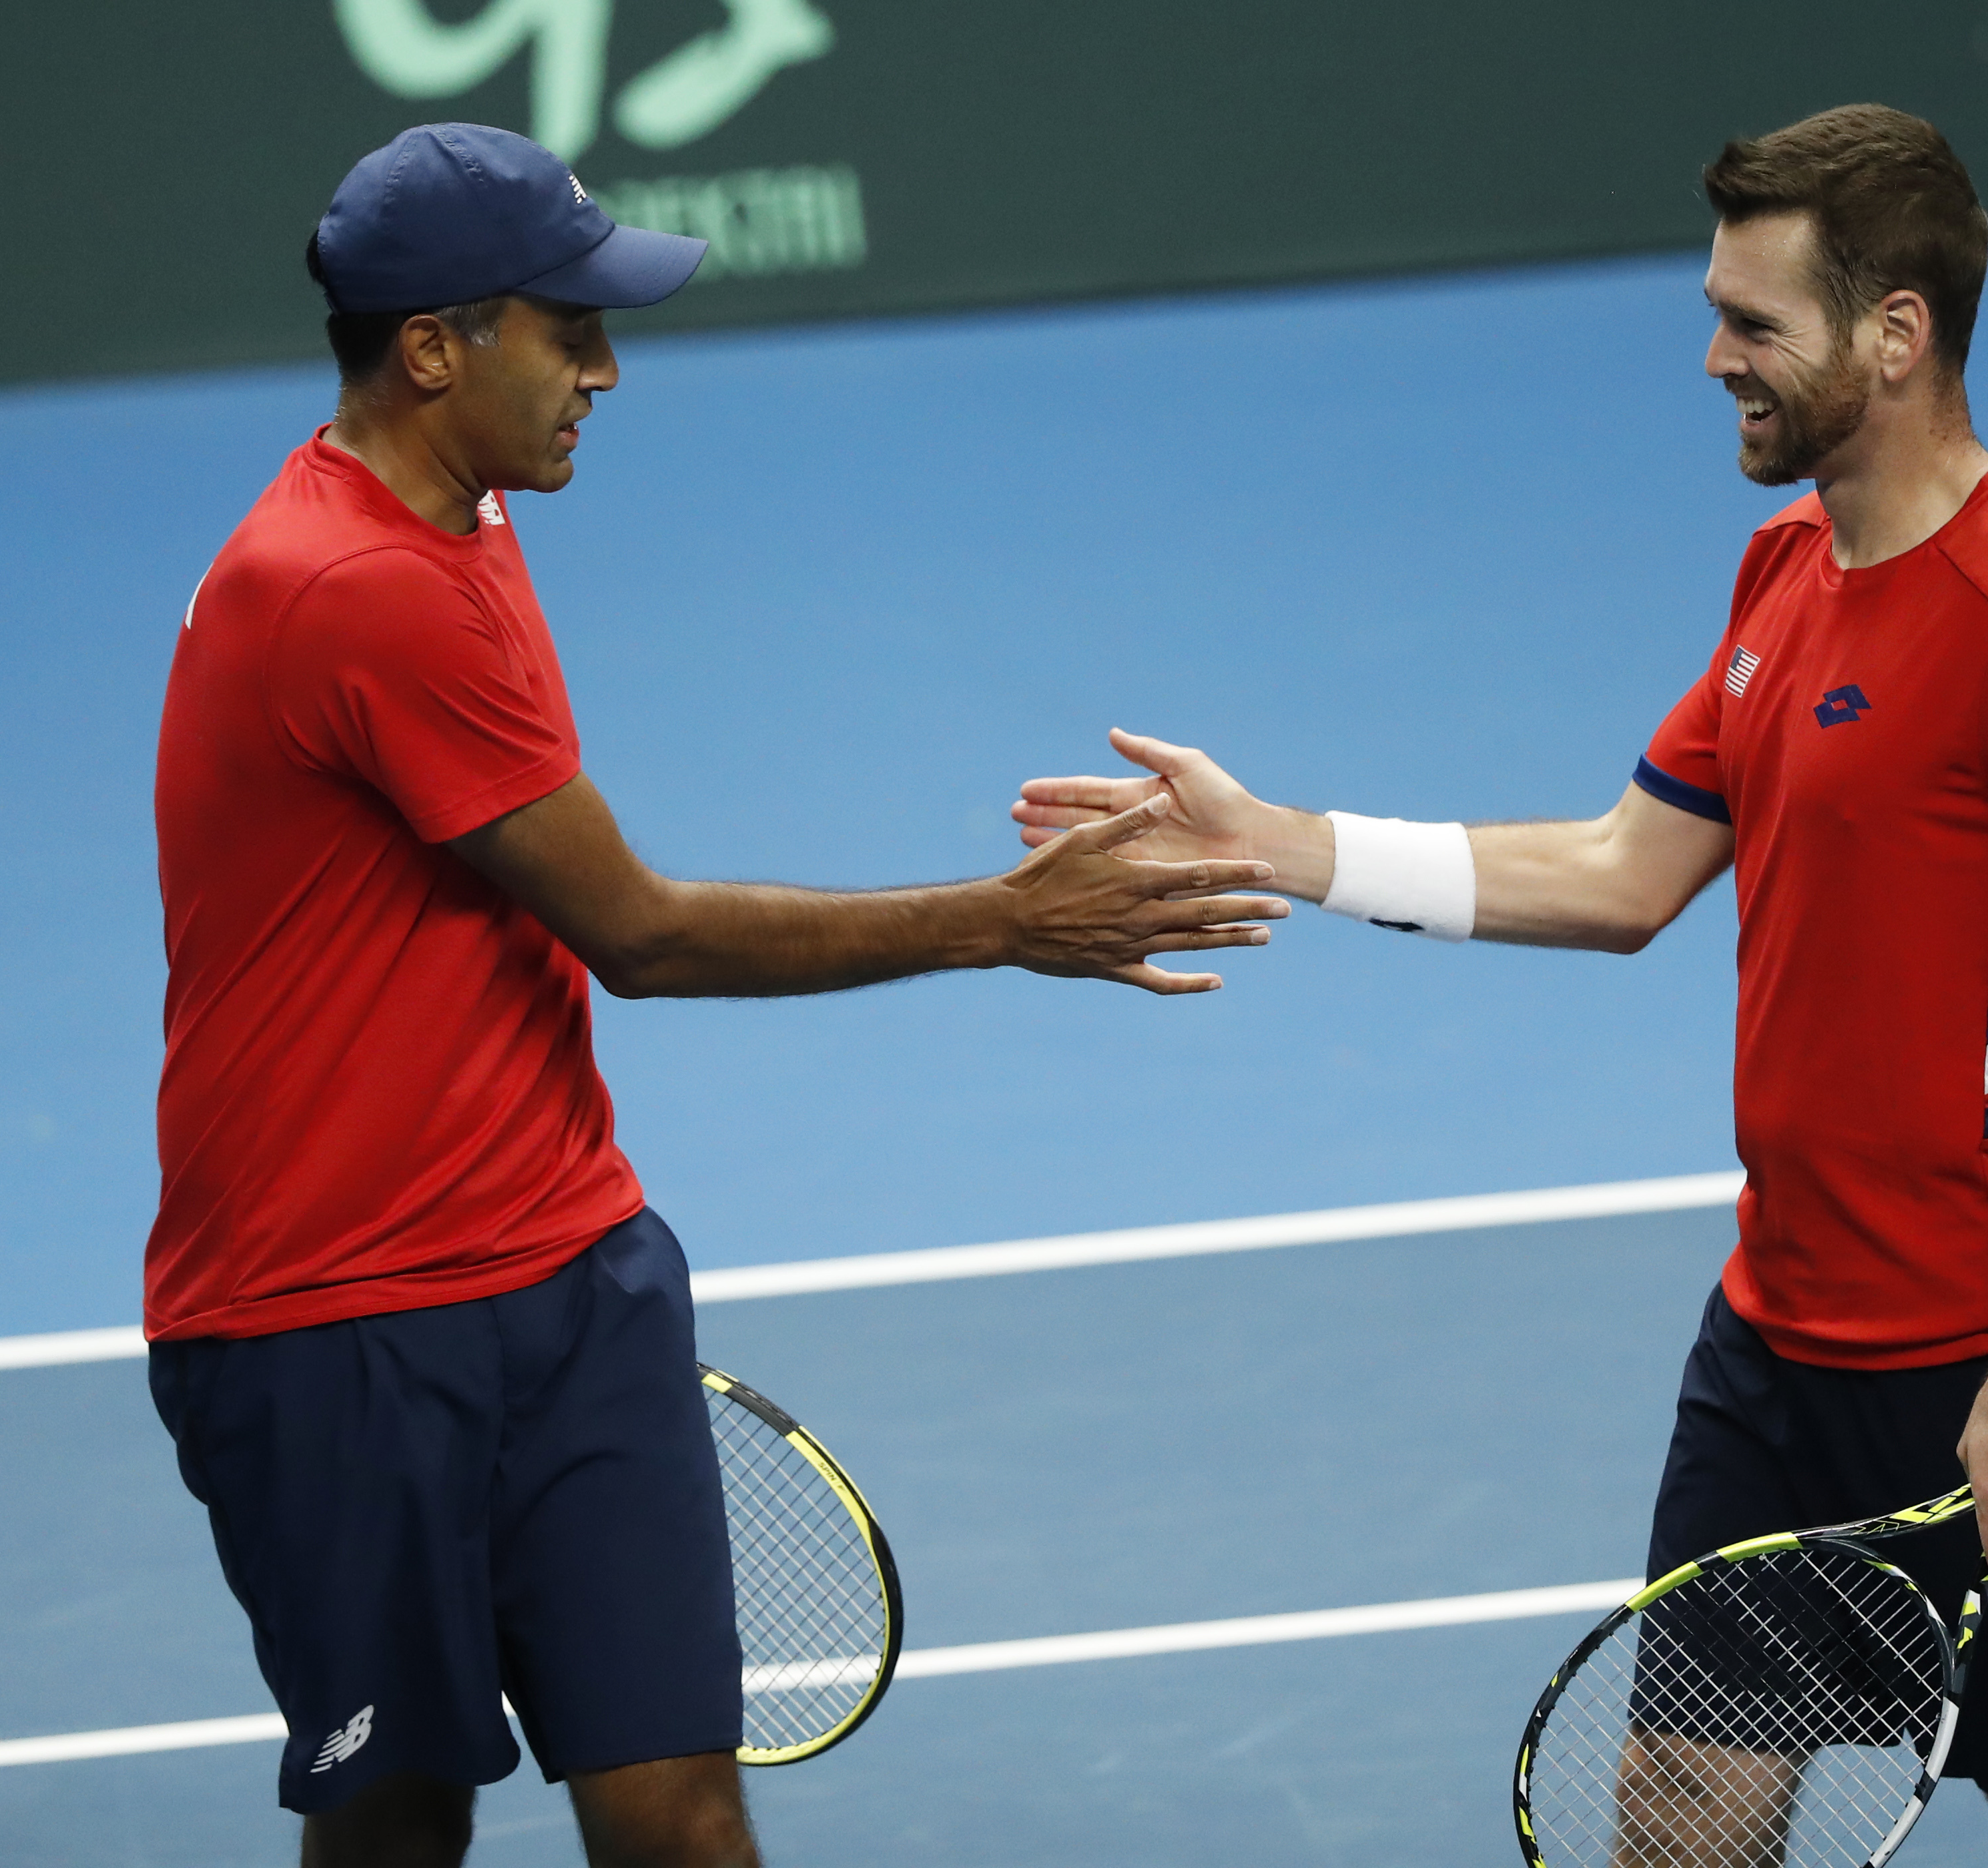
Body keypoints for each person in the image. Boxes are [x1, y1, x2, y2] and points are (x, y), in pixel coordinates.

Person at [1015, 105, 1988, 1867]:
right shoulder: (1788, 572)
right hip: (1782, 1336)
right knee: (1673, 1804)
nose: (1714, 357)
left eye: (1756, 325)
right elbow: (1623, 871)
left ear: (1895, 334)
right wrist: (1284, 841)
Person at [145, 123, 1284, 1868]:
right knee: (400, 1826)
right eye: (567, 327)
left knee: (681, 1815)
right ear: (434, 349)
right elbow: (643, 937)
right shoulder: (352, 587)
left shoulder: (465, 508)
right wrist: (1002, 921)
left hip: (569, 1271)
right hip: (333, 1323)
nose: (607, 364)